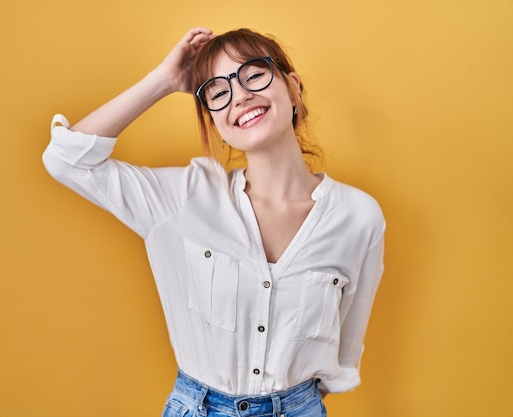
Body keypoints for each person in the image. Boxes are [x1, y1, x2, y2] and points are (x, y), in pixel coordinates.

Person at [43, 27, 385, 417]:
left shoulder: (359, 217)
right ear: (215, 120)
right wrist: (165, 81)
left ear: (292, 87)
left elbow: (342, 354)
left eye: (254, 73)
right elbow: (65, 159)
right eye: (218, 92)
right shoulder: (185, 198)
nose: (239, 95)